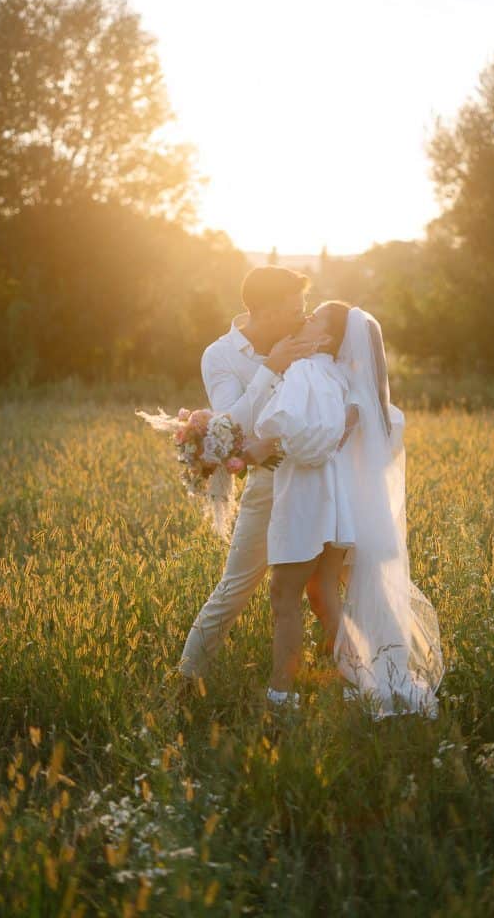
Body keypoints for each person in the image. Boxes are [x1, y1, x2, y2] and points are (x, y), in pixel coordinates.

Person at [254, 302, 445, 718]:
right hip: (344, 507)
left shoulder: (311, 372)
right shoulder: (349, 380)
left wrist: (254, 447)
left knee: (288, 594)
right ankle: (362, 678)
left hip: (312, 497)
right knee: (323, 590)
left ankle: (282, 697)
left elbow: (295, 434)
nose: (304, 319)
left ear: (326, 338)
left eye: (314, 318)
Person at [178, 266, 335, 682]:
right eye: (292, 309)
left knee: (331, 590)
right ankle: (186, 680)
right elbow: (233, 427)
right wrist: (272, 368)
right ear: (262, 311)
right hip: (270, 484)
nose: (301, 317)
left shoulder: (307, 337)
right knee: (235, 589)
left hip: (322, 477)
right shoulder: (220, 356)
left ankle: (351, 680)